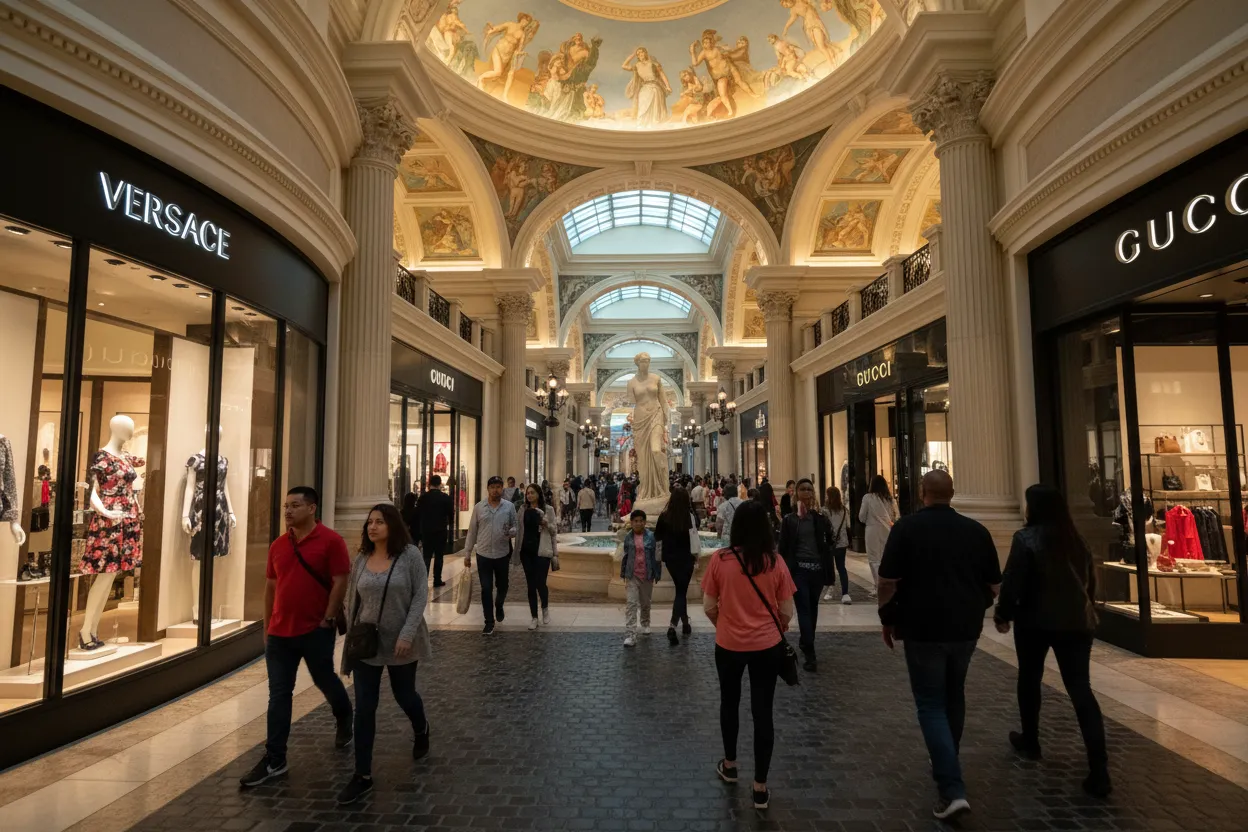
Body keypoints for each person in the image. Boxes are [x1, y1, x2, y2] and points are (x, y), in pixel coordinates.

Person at [877, 471, 1001, 821]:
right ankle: (947, 757)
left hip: (922, 628)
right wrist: (976, 605)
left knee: (931, 703)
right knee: (954, 694)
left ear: (922, 493)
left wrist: (887, 618)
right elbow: (994, 585)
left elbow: (887, 581)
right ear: (953, 493)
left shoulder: (906, 529)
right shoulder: (976, 531)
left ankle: (951, 787)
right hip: (964, 629)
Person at [995, 484, 1111, 798]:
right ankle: (1099, 768)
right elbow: (1090, 580)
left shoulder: (1026, 539)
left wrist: (1003, 613)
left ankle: (1031, 740)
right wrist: (1087, 609)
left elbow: (1013, 579)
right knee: (1081, 689)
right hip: (1076, 623)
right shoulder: (1076, 540)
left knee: (1029, 678)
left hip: (1035, 622)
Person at [240, 487, 353, 788]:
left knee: (324, 679)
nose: (288, 511)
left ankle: (344, 715)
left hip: (316, 630)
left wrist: (328, 617)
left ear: (312, 508)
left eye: (295, 505)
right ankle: (275, 758)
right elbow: (270, 588)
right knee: (279, 694)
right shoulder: (278, 545)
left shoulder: (331, 541)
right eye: (286, 506)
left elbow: (341, 580)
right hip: (280, 634)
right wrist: (267, 628)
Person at [702, 500, 796, 812]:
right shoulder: (774, 562)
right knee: (763, 711)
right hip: (767, 646)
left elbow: (708, 605)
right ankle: (760, 787)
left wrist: (725, 624)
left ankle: (730, 765)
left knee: (729, 703)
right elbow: (787, 610)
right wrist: (773, 628)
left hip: (729, 644)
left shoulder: (720, 559)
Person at [335, 504, 432, 806]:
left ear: (392, 524)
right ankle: (362, 774)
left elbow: (420, 595)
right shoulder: (362, 558)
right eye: (370, 522)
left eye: (379, 522)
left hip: (402, 640)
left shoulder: (410, 555)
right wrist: (349, 649)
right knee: (365, 707)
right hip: (368, 644)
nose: (372, 527)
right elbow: (353, 601)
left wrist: (407, 633)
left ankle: (421, 727)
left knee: (405, 695)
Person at [778, 478, 832, 672]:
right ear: (797, 493)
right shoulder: (790, 520)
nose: (807, 492)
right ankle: (810, 650)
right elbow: (783, 547)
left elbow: (828, 542)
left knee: (813, 608)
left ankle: (807, 642)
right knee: (804, 609)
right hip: (798, 571)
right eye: (803, 489)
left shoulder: (819, 518)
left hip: (817, 570)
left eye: (809, 489)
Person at [463, 475, 517, 635]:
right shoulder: (479, 507)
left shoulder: (509, 507)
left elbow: (515, 527)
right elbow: (472, 531)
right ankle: (488, 621)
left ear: (502, 489)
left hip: (502, 553)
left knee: (503, 586)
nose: (495, 490)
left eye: (498, 487)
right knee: (486, 588)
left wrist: (511, 532)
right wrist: (467, 553)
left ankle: (499, 604)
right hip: (483, 554)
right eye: (492, 487)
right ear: (488, 489)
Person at [655, 486, 698, 645]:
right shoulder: (689, 517)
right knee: (681, 591)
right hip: (687, 559)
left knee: (681, 590)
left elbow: (657, 537)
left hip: (671, 559)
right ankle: (672, 627)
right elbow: (695, 535)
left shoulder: (664, 516)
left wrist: (659, 558)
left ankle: (685, 623)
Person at [517, 484, 558, 630]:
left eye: (532, 493)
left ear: (538, 494)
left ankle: (545, 608)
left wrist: (546, 524)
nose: (529, 495)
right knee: (531, 585)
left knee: (541, 582)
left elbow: (554, 531)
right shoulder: (523, 509)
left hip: (542, 551)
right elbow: (519, 528)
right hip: (526, 551)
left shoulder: (548, 510)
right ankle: (534, 617)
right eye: (528, 493)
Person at [621, 509, 660, 647]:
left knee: (645, 602)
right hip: (632, 575)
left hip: (647, 575)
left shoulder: (651, 537)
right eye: (636, 521)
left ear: (645, 522)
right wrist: (623, 573)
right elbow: (625, 556)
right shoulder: (628, 537)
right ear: (631, 523)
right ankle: (630, 634)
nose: (638, 523)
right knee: (631, 604)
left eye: (641, 521)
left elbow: (656, 556)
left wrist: (657, 573)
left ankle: (645, 622)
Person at [859, 475, 898, 597]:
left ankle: (878, 586)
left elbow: (861, 516)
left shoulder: (868, 498)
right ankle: (886, 585)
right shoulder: (891, 500)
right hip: (888, 531)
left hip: (872, 531)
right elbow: (896, 517)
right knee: (885, 558)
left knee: (874, 559)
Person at [415, 475, 454, 588]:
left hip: (427, 531)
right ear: (440, 484)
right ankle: (437, 579)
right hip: (440, 531)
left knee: (426, 556)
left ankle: (423, 581)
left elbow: (418, 514)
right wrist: (448, 524)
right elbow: (451, 515)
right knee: (439, 556)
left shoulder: (423, 498)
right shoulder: (445, 498)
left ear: (429, 484)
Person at [821, 486, 852, 604]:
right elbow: (848, 526)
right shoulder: (844, 510)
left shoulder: (824, 511)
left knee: (829, 567)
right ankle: (845, 593)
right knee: (841, 568)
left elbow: (823, 527)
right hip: (842, 542)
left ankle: (830, 590)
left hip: (829, 543)